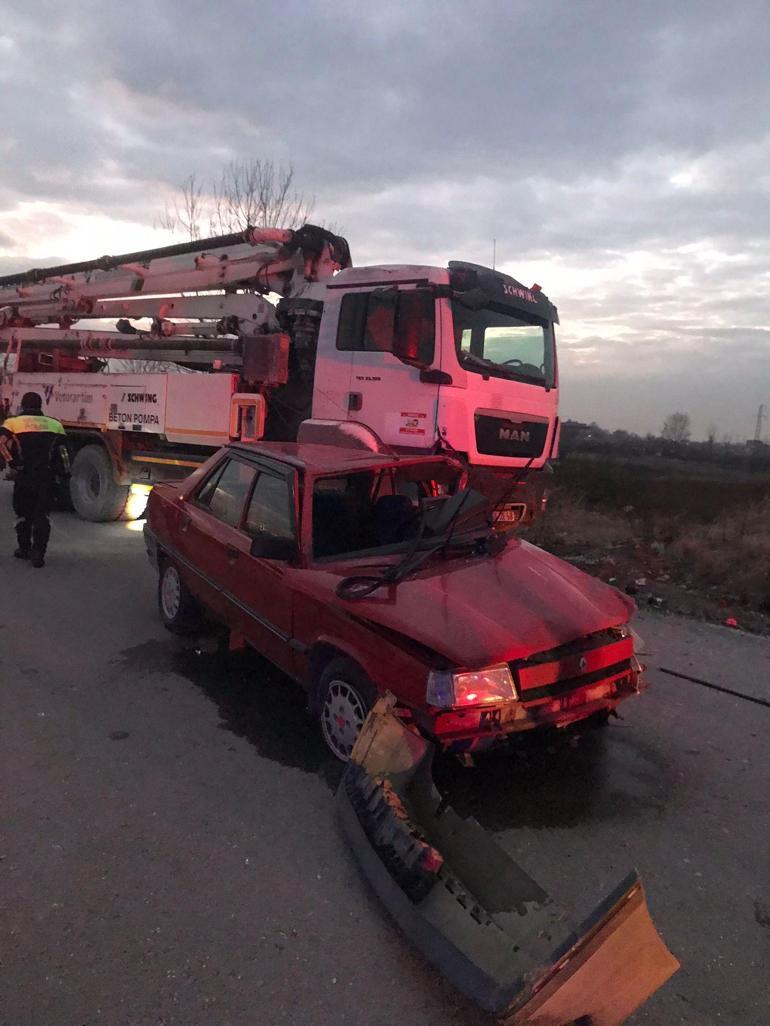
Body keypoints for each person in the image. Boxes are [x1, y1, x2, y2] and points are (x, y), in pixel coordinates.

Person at [0, 392, 70, 568]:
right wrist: (64, 473)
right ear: (40, 406)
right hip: (46, 477)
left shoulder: (13, 423)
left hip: (24, 476)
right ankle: (39, 552)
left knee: (23, 513)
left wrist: (14, 463)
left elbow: (1, 444)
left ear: (23, 406)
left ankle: (24, 549)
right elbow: (63, 453)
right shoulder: (55, 424)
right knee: (42, 514)